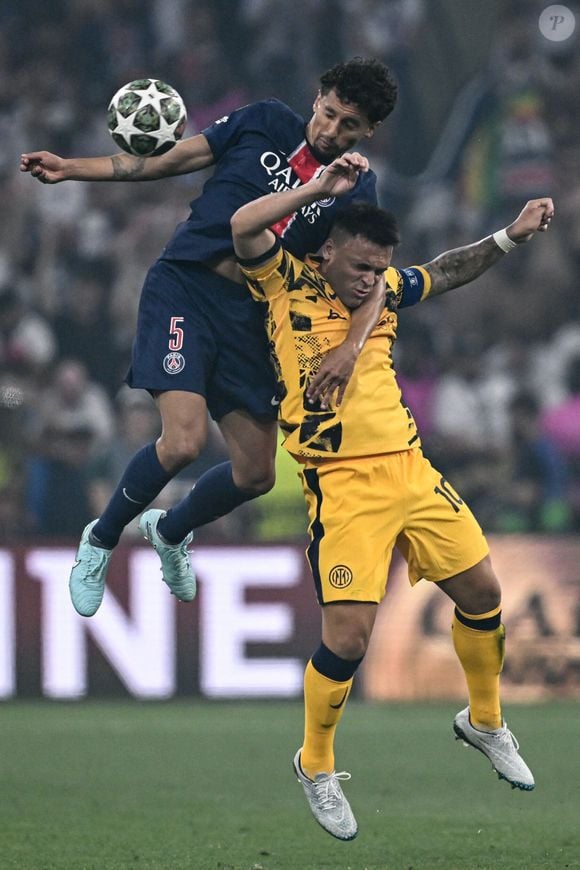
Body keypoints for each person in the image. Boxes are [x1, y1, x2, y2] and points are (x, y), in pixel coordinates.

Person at [230, 151, 553, 840]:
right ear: (325, 255)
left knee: (484, 594)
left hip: (409, 468)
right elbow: (243, 227)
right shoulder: (284, 282)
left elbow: (450, 269)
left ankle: (485, 721)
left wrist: (509, 235)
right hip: (342, 483)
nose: (369, 280)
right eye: (359, 267)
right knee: (348, 638)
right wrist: (315, 189)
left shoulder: (384, 292)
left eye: (378, 270)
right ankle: (315, 763)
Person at [20, 58, 398, 617]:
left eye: (349, 125)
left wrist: (349, 346)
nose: (331, 130)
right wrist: (72, 168)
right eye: (329, 113)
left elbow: (374, 275)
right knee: (183, 442)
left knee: (256, 474)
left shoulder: (359, 187)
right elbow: (174, 158)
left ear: (369, 131)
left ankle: (170, 530)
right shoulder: (265, 121)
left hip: (254, 318)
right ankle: (99, 540)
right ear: (317, 97)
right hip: (187, 288)